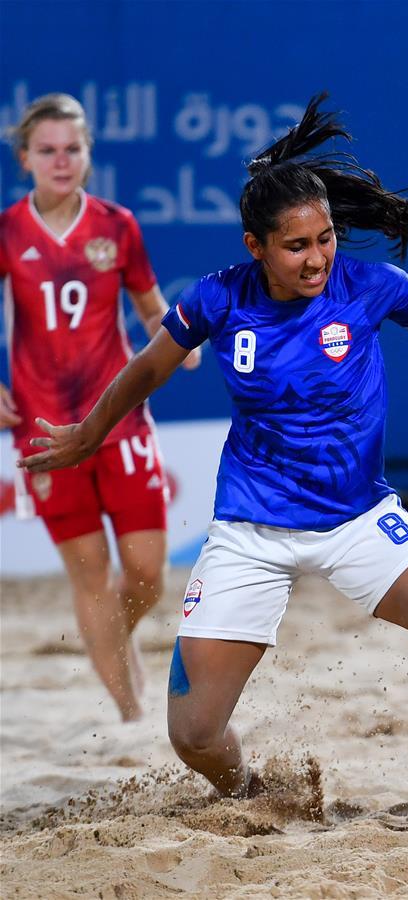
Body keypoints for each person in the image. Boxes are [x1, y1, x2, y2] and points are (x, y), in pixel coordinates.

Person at [19, 93, 408, 814]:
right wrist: (90, 431)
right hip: (251, 530)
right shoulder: (218, 298)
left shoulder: (369, 286)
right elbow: (147, 368)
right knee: (194, 733)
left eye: (325, 238)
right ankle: (251, 795)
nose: (317, 257)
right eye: (296, 246)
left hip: (358, 516)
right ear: (254, 246)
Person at [0, 93, 200, 722]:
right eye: (48, 150)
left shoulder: (117, 225)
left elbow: (147, 309)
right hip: (45, 431)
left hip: (119, 418)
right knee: (88, 577)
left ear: (88, 155)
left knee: (147, 573)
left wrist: (178, 342)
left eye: (73, 149)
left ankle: (116, 639)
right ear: (26, 158)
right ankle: (129, 718)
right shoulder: (8, 230)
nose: (62, 160)